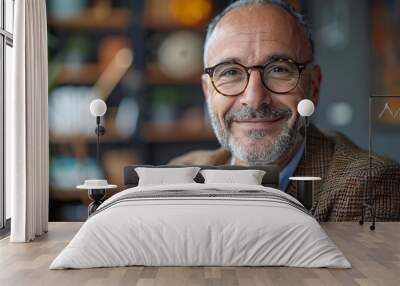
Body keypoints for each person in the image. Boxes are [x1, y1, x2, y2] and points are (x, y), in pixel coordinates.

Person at [169, 0, 400, 221]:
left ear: (314, 87)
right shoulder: (179, 176)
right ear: (208, 91)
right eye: (230, 72)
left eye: (279, 69)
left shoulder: (369, 185)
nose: (254, 98)